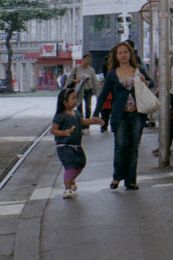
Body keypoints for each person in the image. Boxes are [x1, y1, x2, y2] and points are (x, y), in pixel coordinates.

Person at [92, 41, 155, 191]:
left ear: (130, 54)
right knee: (120, 146)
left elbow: (151, 82)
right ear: (116, 56)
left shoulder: (138, 70)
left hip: (137, 114)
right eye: (120, 53)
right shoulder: (112, 74)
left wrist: (147, 82)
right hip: (119, 115)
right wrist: (95, 114)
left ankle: (131, 180)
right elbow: (103, 95)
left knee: (133, 148)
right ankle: (117, 177)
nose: (123, 55)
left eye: (125, 52)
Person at [50, 88, 104, 198]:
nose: (75, 101)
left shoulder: (76, 113)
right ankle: (68, 188)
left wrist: (93, 121)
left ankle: (71, 179)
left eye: (76, 98)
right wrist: (64, 133)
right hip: (64, 146)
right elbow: (53, 130)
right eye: (73, 98)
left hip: (77, 146)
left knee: (80, 164)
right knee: (70, 166)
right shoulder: (60, 116)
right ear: (64, 102)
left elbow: (83, 122)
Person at [65, 54, 99, 119]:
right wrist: (75, 81)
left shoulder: (91, 70)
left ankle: (87, 122)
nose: (88, 61)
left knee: (88, 107)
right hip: (79, 90)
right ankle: (80, 121)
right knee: (79, 106)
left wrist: (97, 93)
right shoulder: (77, 68)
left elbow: (94, 81)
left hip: (88, 90)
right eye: (86, 59)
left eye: (89, 60)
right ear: (82, 60)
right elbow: (70, 78)